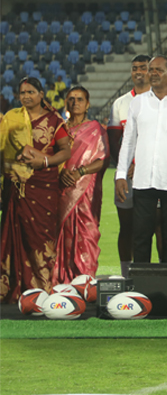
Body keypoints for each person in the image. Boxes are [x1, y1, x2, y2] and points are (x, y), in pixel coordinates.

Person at [115, 56, 167, 264]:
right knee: (141, 237)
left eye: (158, 70)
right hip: (143, 181)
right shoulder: (138, 103)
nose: (153, 73)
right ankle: (141, 282)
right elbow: (128, 141)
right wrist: (120, 174)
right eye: (151, 69)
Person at [0, 77, 71, 302]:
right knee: (12, 236)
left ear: (41, 95)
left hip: (43, 185)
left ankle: (43, 286)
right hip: (14, 185)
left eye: (31, 92)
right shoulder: (11, 118)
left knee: (41, 236)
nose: (26, 96)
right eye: (22, 93)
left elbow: (65, 151)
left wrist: (45, 162)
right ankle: (13, 287)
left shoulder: (53, 120)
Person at [53, 86, 109, 283]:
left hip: (86, 193)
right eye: (71, 99)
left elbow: (102, 159)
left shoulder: (96, 129)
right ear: (66, 103)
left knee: (86, 235)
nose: (75, 102)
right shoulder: (59, 129)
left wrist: (80, 172)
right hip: (61, 190)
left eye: (79, 99)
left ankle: (84, 281)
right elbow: (51, 156)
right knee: (60, 235)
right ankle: (60, 280)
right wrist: (61, 172)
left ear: (87, 104)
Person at [108, 55, 155, 276]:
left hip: (153, 175)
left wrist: (142, 164)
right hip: (126, 176)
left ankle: (157, 273)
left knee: (155, 227)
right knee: (126, 226)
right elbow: (113, 141)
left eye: (143, 68)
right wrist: (125, 166)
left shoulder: (160, 101)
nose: (138, 72)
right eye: (135, 68)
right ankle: (127, 274)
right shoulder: (120, 103)